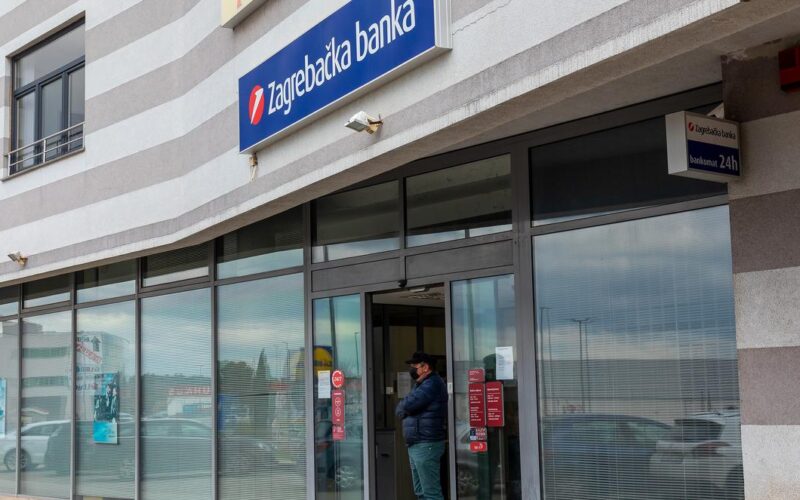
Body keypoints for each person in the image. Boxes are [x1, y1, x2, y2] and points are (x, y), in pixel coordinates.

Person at [395, 352, 448, 500]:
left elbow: (406, 405)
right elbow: (400, 408)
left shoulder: (432, 384)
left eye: (415, 366)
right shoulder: (421, 384)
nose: (412, 368)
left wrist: (404, 408)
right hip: (417, 443)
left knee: (431, 493)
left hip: (426, 444)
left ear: (425, 367)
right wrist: (404, 408)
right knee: (421, 492)